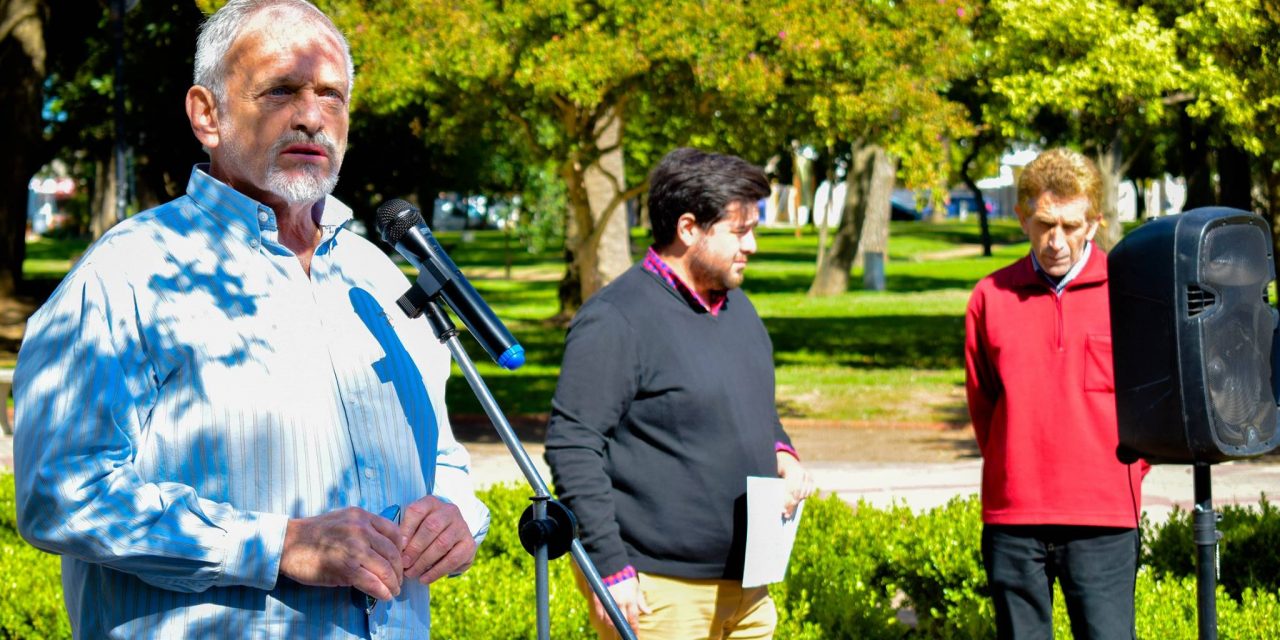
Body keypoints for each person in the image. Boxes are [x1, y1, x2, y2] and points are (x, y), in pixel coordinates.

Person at [12, 1, 488, 637]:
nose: (312, 117)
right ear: (208, 115)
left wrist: (455, 514)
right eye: (281, 91)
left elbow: (441, 457)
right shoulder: (127, 274)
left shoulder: (377, 277)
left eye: (332, 96)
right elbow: (61, 490)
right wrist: (276, 545)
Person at [545, 147, 815, 639]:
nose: (751, 245)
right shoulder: (616, 319)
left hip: (749, 587)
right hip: (658, 594)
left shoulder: (739, 310)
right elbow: (573, 445)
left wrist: (783, 452)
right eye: (739, 231)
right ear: (688, 229)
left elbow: (752, 407)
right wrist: (611, 568)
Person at [964, 148, 1147, 639]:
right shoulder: (990, 296)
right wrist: (1015, 464)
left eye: (1071, 225)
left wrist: (1124, 474)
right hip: (1013, 516)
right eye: (1045, 223)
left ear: (1095, 223)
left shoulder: (1128, 292)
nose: (1057, 241)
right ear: (1023, 216)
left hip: (1104, 517)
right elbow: (984, 405)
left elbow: (1147, 403)